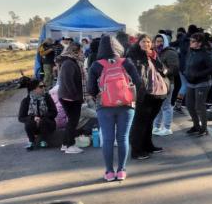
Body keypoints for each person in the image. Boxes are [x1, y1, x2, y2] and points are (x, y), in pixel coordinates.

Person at [88, 35, 141, 182]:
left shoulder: (96, 65)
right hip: (126, 105)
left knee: (108, 139)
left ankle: (109, 172)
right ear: (118, 47)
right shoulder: (127, 62)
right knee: (123, 138)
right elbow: (138, 81)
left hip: (104, 106)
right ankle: (122, 171)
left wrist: (100, 94)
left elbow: (90, 88)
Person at [126, 34, 168, 160]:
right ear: (138, 43)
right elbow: (132, 74)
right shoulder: (133, 55)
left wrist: (155, 57)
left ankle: (148, 146)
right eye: (143, 41)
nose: (146, 44)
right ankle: (137, 150)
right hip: (143, 93)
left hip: (157, 93)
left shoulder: (153, 55)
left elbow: (164, 70)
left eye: (149, 42)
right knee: (140, 122)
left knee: (149, 121)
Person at [56, 41, 87, 154]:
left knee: (71, 121)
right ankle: (70, 145)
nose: (82, 53)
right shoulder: (69, 63)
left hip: (69, 96)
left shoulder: (71, 61)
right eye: (80, 51)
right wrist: (76, 96)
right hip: (70, 97)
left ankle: (65, 144)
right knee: (73, 122)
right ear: (75, 51)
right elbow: (68, 82)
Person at [184, 32, 212, 137]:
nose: (191, 43)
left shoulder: (205, 53)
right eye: (190, 41)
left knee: (199, 106)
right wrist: (186, 72)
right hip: (190, 83)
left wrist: (198, 74)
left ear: (199, 43)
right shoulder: (191, 52)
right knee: (189, 105)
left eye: (193, 41)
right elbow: (187, 64)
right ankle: (196, 126)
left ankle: (204, 128)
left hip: (202, 83)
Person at [18, 79, 57, 150]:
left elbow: (54, 112)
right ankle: (31, 141)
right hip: (34, 125)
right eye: (41, 86)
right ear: (34, 89)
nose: (43, 88)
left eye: (44, 86)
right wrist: (33, 118)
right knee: (29, 123)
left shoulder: (47, 97)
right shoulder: (26, 101)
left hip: (47, 124)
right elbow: (21, 117)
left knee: (43, 121)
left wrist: (42, 117)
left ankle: (44, 139)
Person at [153, 33, 179, 136]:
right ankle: (156, 126)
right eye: (157, 41)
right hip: (157, 84)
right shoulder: (155, 52)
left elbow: (175, 69)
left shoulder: (170, 53)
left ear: (165, 42)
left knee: (166, 106)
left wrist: (163, 72)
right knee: (157, 106)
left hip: (167, 83)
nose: (159, 43)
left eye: (161, 41)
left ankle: (167, 128)